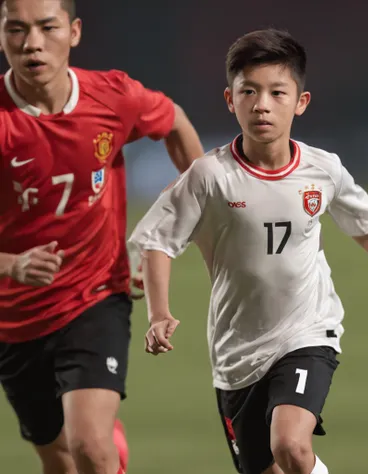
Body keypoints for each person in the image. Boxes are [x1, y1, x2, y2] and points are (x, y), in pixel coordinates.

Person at [129, 29, 368, 474]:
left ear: (301, 101)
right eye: (248, 92)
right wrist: (159, 313)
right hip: (236, 355)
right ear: (230, 100)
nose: (262, 104)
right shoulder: (209, 177)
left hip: (307, 334)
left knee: (290, 446)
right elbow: (158, 241)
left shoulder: (323, 170)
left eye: (277, 92)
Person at [0, 0, 204, 473]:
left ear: (73, 32)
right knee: (61, 461)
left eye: (47, 28)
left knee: (90, 447)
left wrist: (187, 215)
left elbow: (173, 120)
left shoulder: (112, 96)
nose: (32, 43)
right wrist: (12, 265)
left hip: (96, 295)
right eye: (17, 30)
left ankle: (100, 432)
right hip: (15, 318)